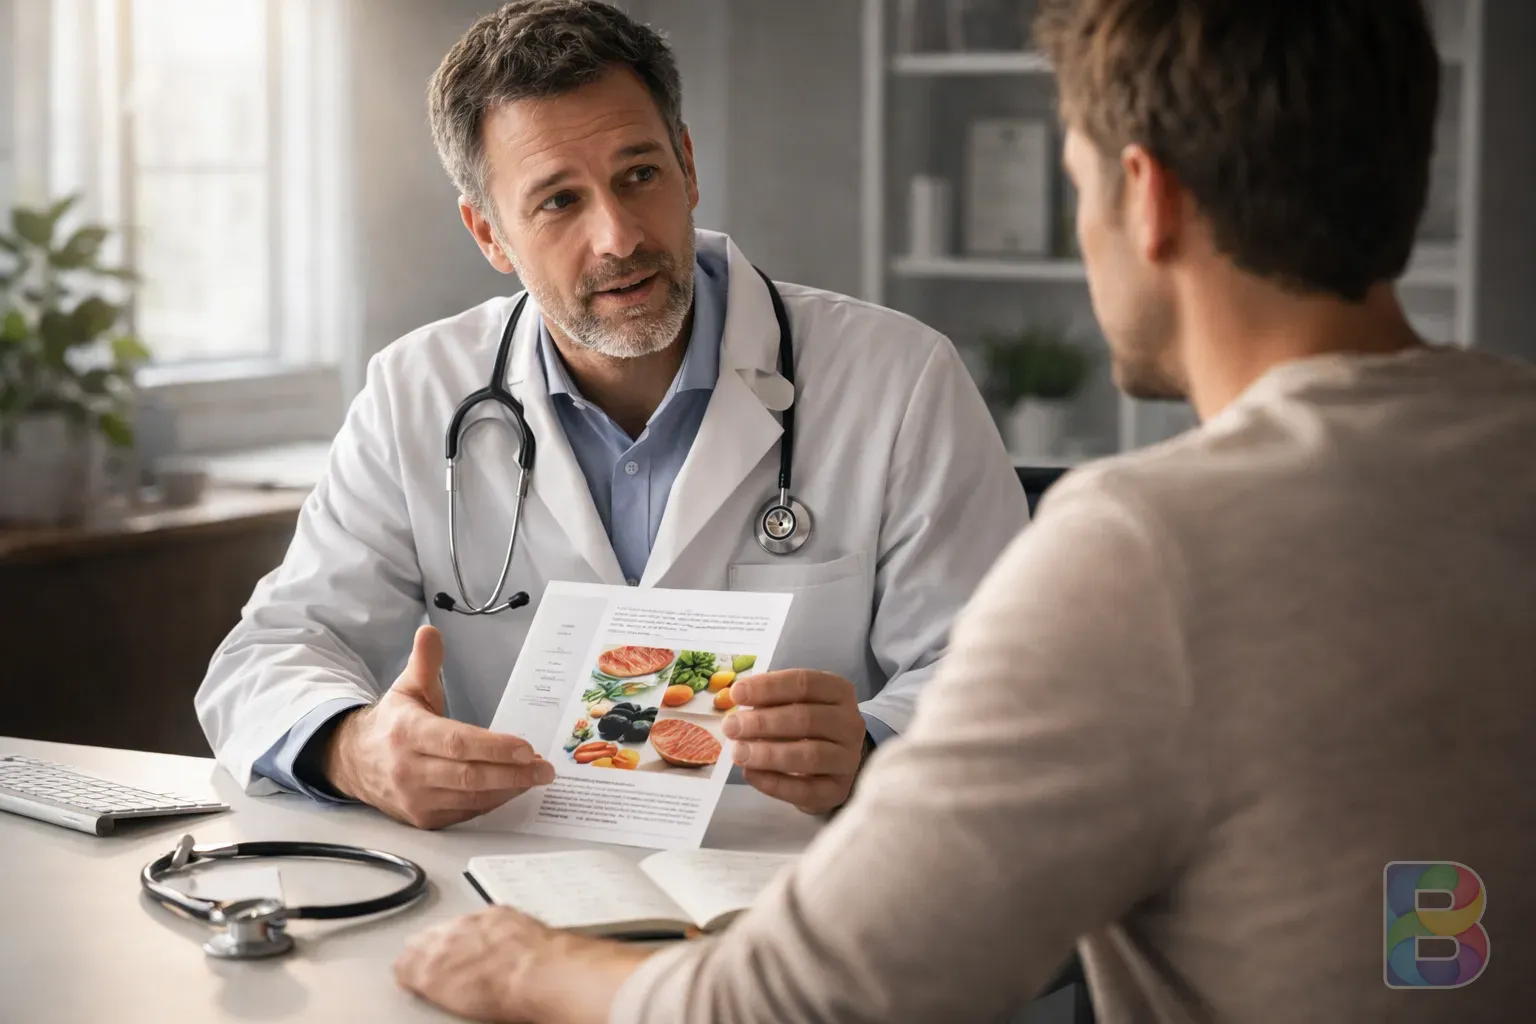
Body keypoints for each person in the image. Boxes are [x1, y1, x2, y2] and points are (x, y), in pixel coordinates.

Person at [391, 0, 1536, 1021]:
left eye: (1075, 180)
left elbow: (802, 999)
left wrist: (531, 970)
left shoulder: (1146, 551)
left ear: (1146, 198)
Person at [192, 0, 1028, 827]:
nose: (619, 236)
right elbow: (270, 654)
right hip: (515, 882)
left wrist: (873, 744)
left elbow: (1001, 676)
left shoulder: (898, 378)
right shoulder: (415, 393)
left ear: (689, 167)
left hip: (796, 885)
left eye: (640, 175)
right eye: (559, 201)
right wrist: (356, 748)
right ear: (488, 233)